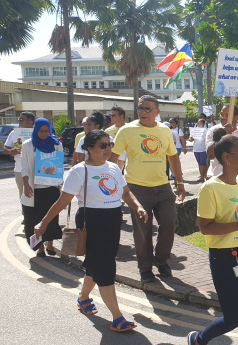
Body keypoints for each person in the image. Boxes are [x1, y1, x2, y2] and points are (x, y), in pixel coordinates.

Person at [34, 130, 148, 332]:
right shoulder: (79, 171)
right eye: (103, 145)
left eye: (109, 145)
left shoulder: (113, 167)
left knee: (98, 263)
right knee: (105, 267)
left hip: (112, 221)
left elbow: (126, 192)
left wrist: (137, 206)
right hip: (91, 222)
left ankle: (83, 297)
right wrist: (43, 223)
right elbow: (62, 202)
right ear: (89, 148)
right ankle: (117, 317)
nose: (108, 149)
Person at [187, 135, 238, 345]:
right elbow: (205, 227)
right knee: (233, 318)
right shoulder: (210, 188)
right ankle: (199, 339)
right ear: (227, 158)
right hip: (224, 258)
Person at [109, 95, 185, 283]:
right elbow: (113, 158)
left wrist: (180, 182)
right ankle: (145, 267)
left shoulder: (165, 131)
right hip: (137, 188)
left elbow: (173, 157)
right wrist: (112, 184)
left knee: (169, 222)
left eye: (148, 109)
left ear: (157, 112)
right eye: (140, 108)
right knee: (142, 230)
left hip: (163, 187)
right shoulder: (126, 131)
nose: (143, 112)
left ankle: (161, 260)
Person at [21, 118, 64, 257]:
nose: (44, 134)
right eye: (41, 131)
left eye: (47, 131)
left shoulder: (56, 144)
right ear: (36, 130)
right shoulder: (28, 145)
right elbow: (25, 168)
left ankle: (50, 243)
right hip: (34, 190)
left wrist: (59, 180)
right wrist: (26, 185)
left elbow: (59, 165)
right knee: (35, 219)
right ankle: (39, 247)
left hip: (51, 188)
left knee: (51, 218)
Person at [4, 111, 36, 200]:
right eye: (19, 119)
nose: (19, 121)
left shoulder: (39, 133)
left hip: (37, 169)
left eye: (21, 119)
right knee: (24, 196)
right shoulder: (14, 133)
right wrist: (11, 151)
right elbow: (5, 147)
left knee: (37, 196)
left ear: (30, 122)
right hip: (20, 169)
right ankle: (25, 213)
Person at [105, 106, 128, 170]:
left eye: (114, 115)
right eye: (111, 115)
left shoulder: (130, 128)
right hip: (115, 159)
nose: (111, 117)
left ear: (122, 116)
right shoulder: (108, 131)